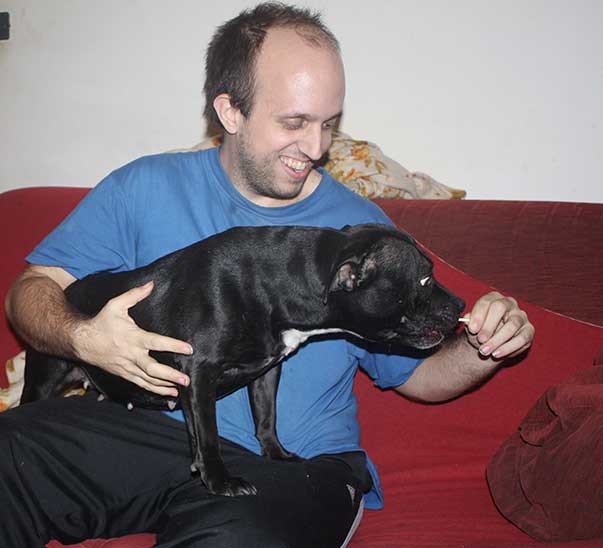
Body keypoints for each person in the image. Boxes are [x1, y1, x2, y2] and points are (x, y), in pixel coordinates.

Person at [2, 3, 534, 547]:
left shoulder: (365, 237)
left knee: (234, 539)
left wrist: (485, 345)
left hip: (294, 467)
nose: (317, 148)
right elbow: (31, 292)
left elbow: (420, 378)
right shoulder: (143, 187)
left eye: (328, 124)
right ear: (230, 112)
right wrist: (82, 337)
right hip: (141, 435)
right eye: (294, 122)